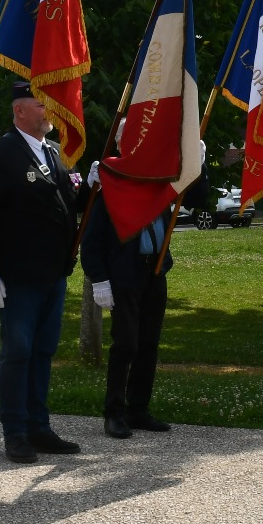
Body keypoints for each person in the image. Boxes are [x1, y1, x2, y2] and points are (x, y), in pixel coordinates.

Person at [0, 82, 85, 464]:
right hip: (17, 275)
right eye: (41, 104)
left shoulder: (52, 153)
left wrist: (90, 185)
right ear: (19, 110)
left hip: (53, 273)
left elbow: (63, 202)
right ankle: (15, 433)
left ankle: (39, 427)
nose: (49, 110)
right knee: (18, 352)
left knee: (43, 351)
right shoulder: (0, 153)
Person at [81, 162, 176, 439]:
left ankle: (138, 409)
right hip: (126, 274)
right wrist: (99, 279)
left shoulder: (160, 184)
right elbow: (92, 241)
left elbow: (195, 197)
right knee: (126, 344)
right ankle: (114, 413)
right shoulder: (111, 191)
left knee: (149, 344)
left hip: (155, 272)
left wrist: (200, 165)